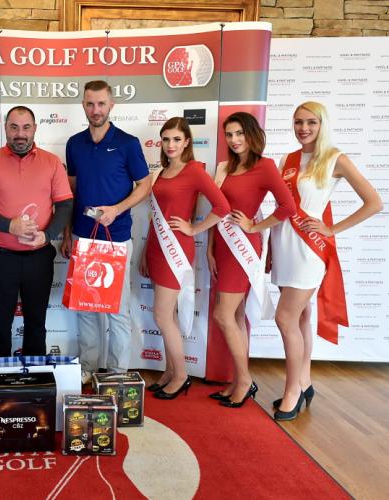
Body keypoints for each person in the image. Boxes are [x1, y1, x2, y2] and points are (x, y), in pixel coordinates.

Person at [270, 102, 381, 420]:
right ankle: (304, 382)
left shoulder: (335, 158)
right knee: (301, 317)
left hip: (309, 250)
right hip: (284, 246)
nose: (303, 128)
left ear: (322, 124)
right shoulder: (287, 160)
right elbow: (283, 207)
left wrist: (332, 229)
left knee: (285, 319)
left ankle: (292, 391)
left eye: (311, 122)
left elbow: (373, 202)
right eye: (298, 122)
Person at [0, 106, 73, 371]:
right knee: (0, 324)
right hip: (0, 258)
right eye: (14, 127)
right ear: (5, 128)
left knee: (36, 323)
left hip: (39, 258)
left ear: (35, 128)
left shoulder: (52, 162)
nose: (20, 134)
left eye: (26, 127)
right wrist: (10, 226)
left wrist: (47, 235)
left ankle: (34, 381)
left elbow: (65, 205)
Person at [62, 80, 151, 382]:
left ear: (111, 105)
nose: (95, 110)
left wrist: (118, 209)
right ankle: (87, 368)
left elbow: (145, 185)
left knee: (117, 310)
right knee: (85, 308)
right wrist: (67, 233)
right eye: (90, 104)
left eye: (101, 103)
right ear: (83, 106)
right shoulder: (74, 143)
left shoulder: (128, 143)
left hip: (117, 239)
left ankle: (117, 372)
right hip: (83, 237)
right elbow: (71, 191)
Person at [207, 112, 296, 408]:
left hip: (242, 248)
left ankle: (244, 381)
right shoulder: (226, 167)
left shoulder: (265, 166)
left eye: (239, 134)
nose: (234, 140)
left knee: (223, 315)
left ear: (251, 134)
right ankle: (238, 380)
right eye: (229, 135)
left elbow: (287, 207)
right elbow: (218, 210)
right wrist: (209, 248)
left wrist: (255, 227)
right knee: (235, 316)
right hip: (222, 245)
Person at [139, 117, 230, 399]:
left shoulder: (194, 171)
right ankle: (170, 371)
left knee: (162, 315)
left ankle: (181, 376)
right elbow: (155, 217)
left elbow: (222, 206)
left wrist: (194, 229)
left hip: (176, 250)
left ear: (187, 142)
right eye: (166, 139)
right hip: (156, 247)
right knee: (169, 315)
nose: (171, 145)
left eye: (177, 139)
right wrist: (145, 251)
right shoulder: (161, 173)